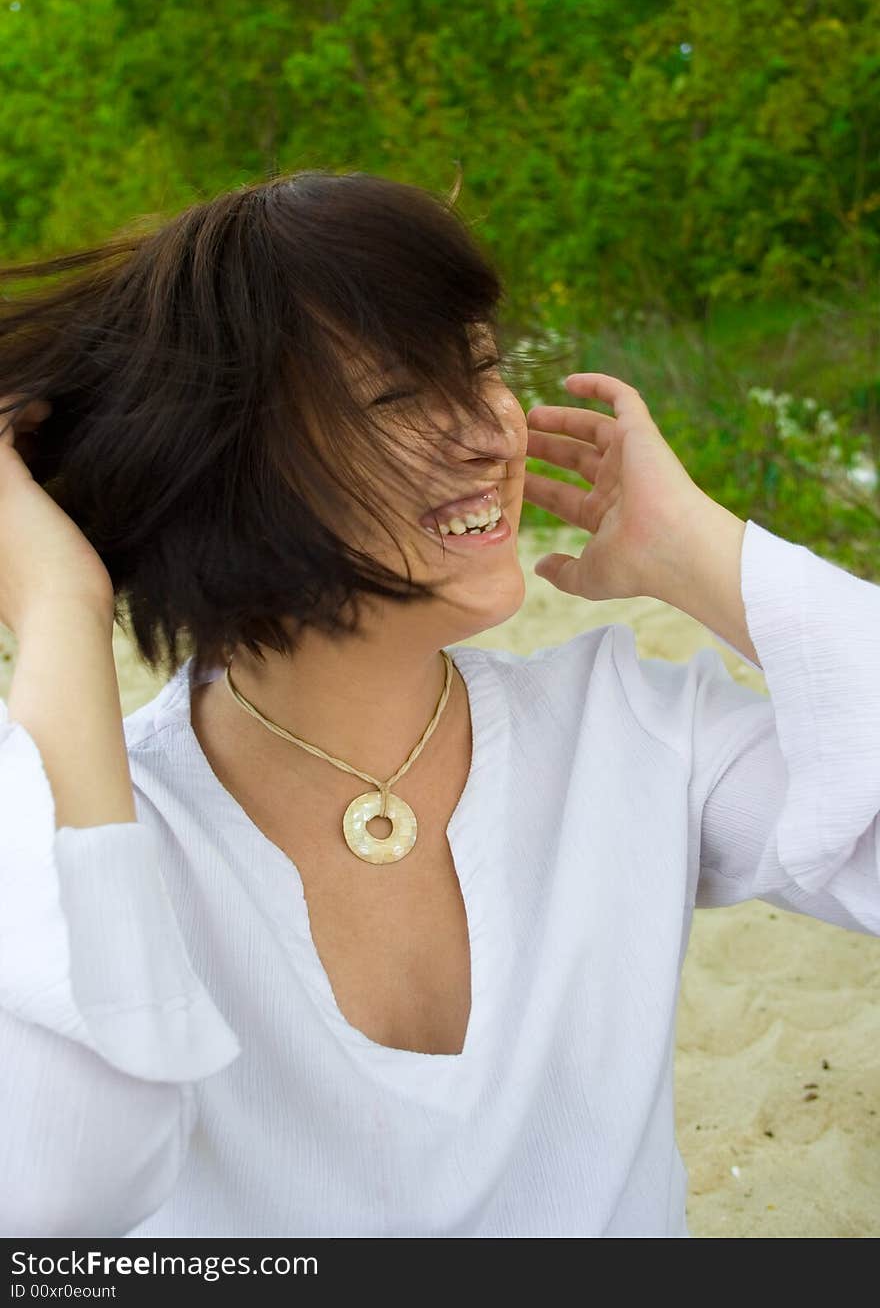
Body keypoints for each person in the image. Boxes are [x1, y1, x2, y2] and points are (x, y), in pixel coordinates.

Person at [0, 171, 877, 1239]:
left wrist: (699, 552)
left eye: (481, 369)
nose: (487, 435)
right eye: (394, 398)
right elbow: (58, 1192)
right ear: (226, 467)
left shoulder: (629, 729)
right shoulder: (105, 819)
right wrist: (57, 609)